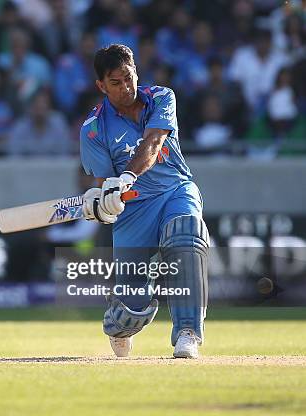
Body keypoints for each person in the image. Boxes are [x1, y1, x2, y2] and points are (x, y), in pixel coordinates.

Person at [80, 44, 209, 359]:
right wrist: (101, 203)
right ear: (101, 86)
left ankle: (188, 332)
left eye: (129, 77)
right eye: (116, 82)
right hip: (135, 211)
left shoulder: (161, 98)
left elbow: (153, 143)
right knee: (129, 311)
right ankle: (119, 323)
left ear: (136, 71)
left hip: (174, 190)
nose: (126, 88)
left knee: (186, 234)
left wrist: (127, 177)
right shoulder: (93, 129)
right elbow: (103, 186)